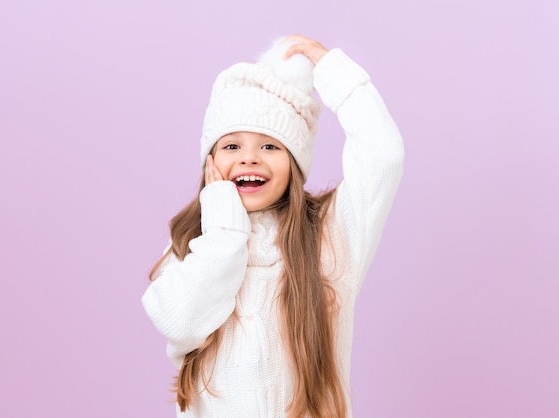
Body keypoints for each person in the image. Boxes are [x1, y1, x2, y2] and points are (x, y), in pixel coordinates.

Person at [142, 34, 404, 418]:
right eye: (232, 146)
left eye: (269, 146)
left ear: (294, 162)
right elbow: (181, 323)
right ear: (211, 162)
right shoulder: (190, 243)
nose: (249, 159)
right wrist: (225, 233)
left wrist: (333, 72)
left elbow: (383, 155)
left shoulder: (331, 236)